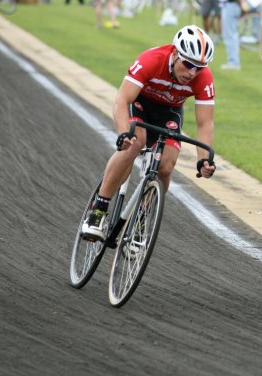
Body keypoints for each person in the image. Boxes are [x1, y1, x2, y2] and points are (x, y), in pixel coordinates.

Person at [81, 25, 217, 241]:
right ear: (174, 54)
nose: (192, 73)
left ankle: (142, 219)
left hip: (169, 113)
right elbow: (122, 100)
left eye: (199, 68)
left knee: (166, 167)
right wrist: (124, 133)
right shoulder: (151, 60)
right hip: (140, 104)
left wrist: (203, 160)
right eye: (188, 64)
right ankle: (99, 209)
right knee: (135, 143)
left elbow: (205, 123)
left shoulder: (203, 78)